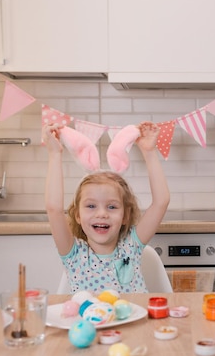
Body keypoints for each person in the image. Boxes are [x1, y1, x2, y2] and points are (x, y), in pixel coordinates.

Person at [42, 121, 170, 293]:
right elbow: (54, 209)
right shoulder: (74, 255)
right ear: (77, 215)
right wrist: (54, 154)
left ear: (125, 215)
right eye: (91, 206)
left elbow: (161, 202)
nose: (102, 214)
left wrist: (149, 152)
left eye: (111, 207)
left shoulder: (131, 246)